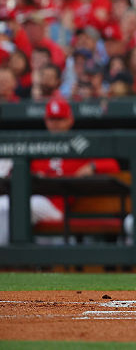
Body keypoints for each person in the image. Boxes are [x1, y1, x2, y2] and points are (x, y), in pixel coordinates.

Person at [0, 97, 119, 245]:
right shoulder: (38, 145)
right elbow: (15, 173)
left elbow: (112, 164)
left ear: (70, 120)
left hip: (57, 206)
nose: (55, 124)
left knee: (19, 205)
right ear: (45, 120)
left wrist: (92, 166)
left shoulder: (79, 144)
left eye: (60, 119)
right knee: (5, 204)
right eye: (52, 119)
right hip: (36, 200)